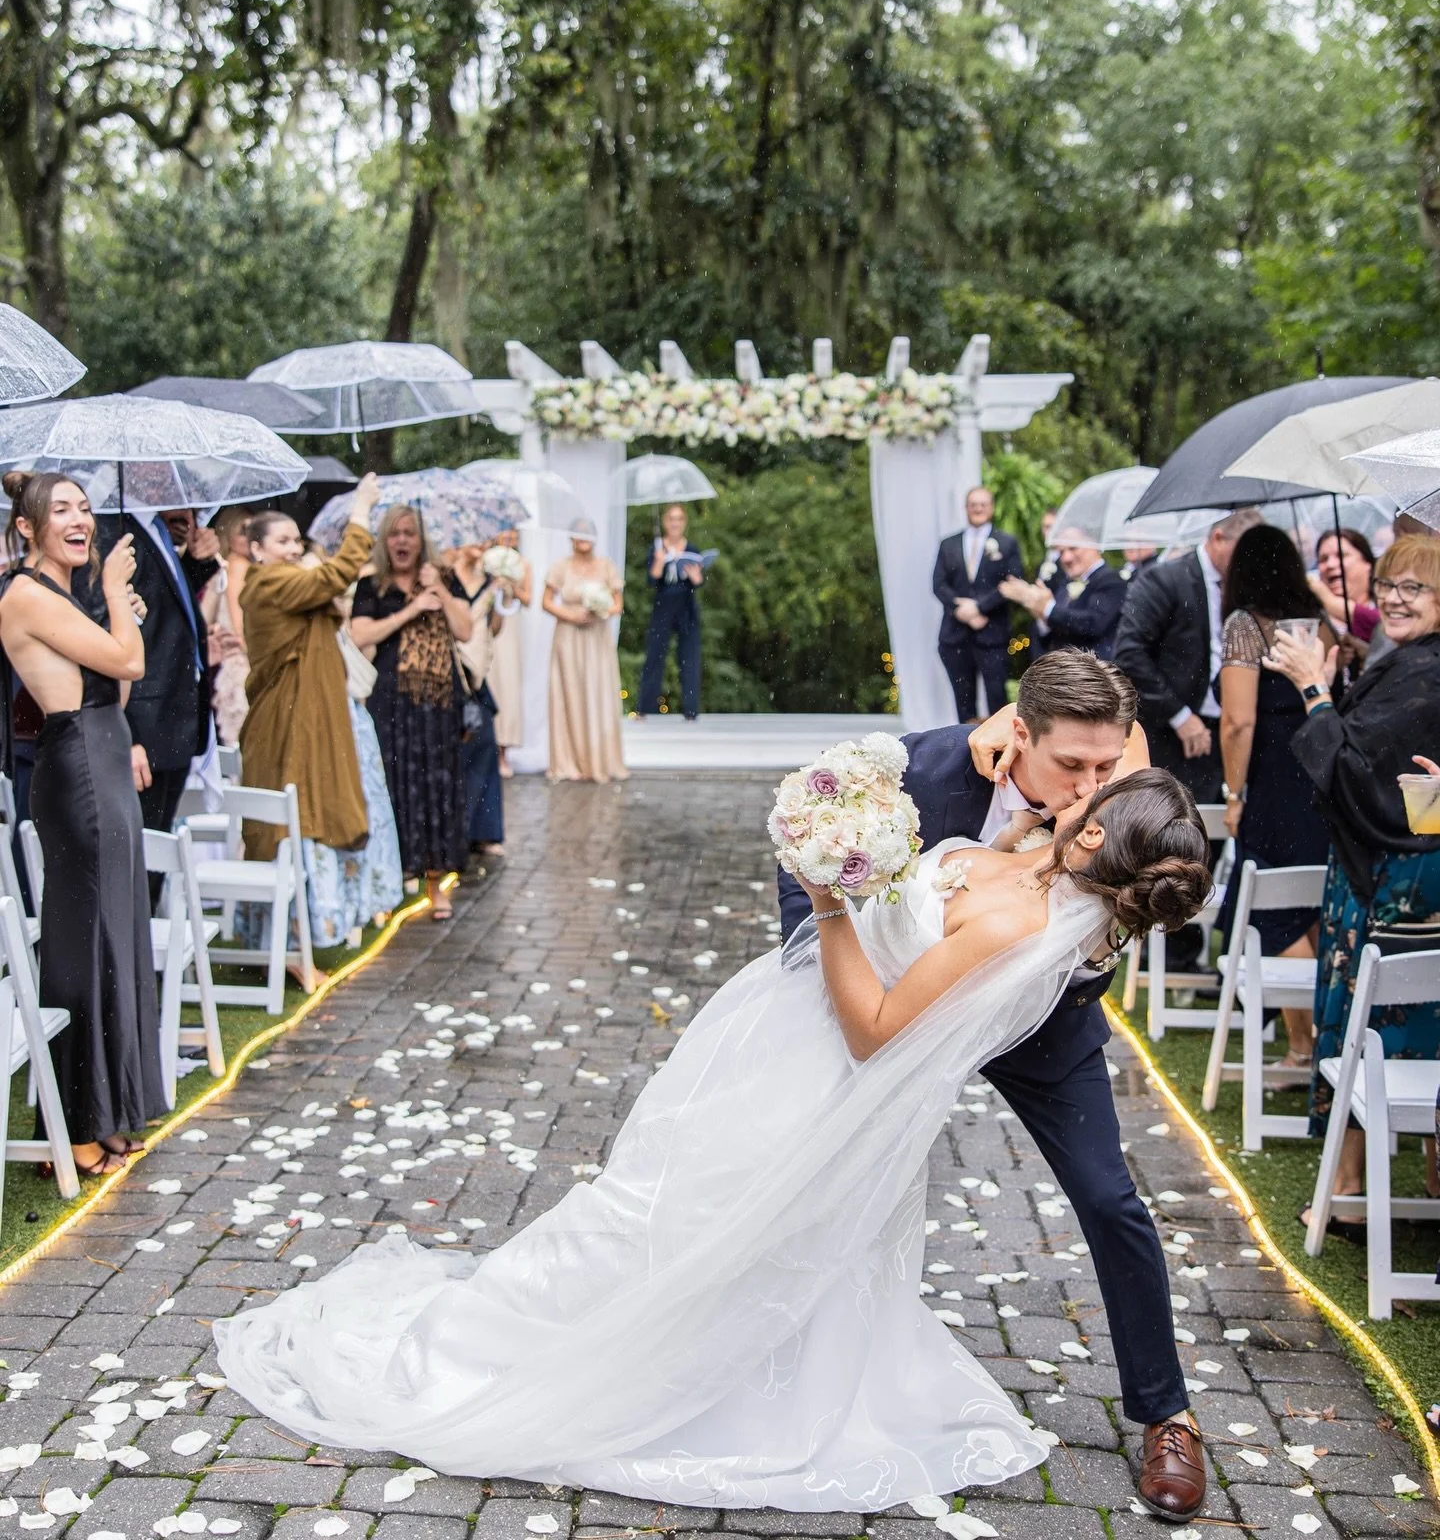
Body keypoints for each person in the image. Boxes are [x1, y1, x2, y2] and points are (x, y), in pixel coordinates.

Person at [215, 753, 1209, 1511]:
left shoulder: (1018, 932)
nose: (1084, 782)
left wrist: (830, 906)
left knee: (671, 1224)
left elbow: (873, 1033)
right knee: (664, 1216)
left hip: (815, 1079)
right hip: (775, 1042)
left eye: (1100, 785)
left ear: (1099, 833)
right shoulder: (1028, 864)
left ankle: (554, 1360)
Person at [779, 649, 1212, 1520]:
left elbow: (1148, 837)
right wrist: (806, 978)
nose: (1094, 784)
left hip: (1042, 1021)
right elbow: (817, 856)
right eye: (1074, 765)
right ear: (1017, 734)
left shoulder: (1111, 776)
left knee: (1110, 1196)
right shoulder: (923, 769)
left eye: (1109, 762)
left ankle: (1168, 1414)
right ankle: (777, 1351)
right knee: (808, 1173)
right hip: (899, 999)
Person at [1266, 532, 1440, 1238]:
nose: (1395, 599)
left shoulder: (1428, 676)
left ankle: (1349, 1189)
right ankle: (1357, 1183)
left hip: (1395, 879)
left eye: (1415, 589)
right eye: (1390, 585)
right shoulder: (1405, 661)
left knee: (1385, 1024)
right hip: (1374, 870)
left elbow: (1361, 778)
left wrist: (1311, 686)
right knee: (1382, 1022)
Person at [0, 473, 166, 1174]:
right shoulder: (25, 595)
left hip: (105, 754)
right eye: (61, 509)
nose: (81, 519)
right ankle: (74, 1126)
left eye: (85, 507)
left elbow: (118, 683)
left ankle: (114, 1110)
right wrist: (122, 599)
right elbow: (126, 658)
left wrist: (119, 606)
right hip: (78, 775)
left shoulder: (68, 595)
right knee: (83, 940)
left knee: (119, 936)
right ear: (28, 529)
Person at [240, 479, 401, 946]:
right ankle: (299, 932)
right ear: (256, 549)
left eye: (296, 540)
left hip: (310, 707)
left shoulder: (281, 581)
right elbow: (335, 576)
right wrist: (361, 512)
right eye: (281, 541)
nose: (293, 549)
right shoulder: (270, 581)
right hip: (292, 717)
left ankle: (318, 925)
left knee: (313, 805)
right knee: (302, 809)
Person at [1216, 526, 1332, 1065]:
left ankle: (1303, 1045)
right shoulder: (1319, 623)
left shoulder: (1245, 626)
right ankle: (1325, 1039)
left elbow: (1237, 721)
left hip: (1273, 784)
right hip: (1323, 772)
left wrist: (1233, 793)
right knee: (1311, 906)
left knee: (1271, 909)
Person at [351, 506, 473, 920]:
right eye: (394, 535)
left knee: (436, 791)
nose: (402, 541)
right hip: (392, 702)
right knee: (394, 790)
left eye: (410, 534)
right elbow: (359, 633)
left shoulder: (444, 577)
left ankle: (435, 883)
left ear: (422, 541)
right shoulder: (373, 585)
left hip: (438, 704)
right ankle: (391, 883)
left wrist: (439, 588)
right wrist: (411, 609)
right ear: (385, 542)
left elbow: (466, 629)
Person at [1113, 507, 1264, 806]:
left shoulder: (1250, 588)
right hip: (1172, 736)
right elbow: (1130, 654)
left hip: (1235, 732)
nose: (1251, 563)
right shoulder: (1164, 579)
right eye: (1245, 552)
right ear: (1219, 538)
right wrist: (1180, 716)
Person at [96, 503, 220, 834]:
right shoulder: (114, 530)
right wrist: (128, 736)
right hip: (143, 721)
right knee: (143, 850)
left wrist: (196, 562)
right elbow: (114, 633)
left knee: (160, 846)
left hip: (174, 717)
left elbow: (163, 608)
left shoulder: (156, 526)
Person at [543, 517, 627, 783]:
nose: (583, 539)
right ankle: (570, 761)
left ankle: (598, 759)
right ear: (570, 538)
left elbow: (617, 604)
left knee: (597, 692)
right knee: (570, 693)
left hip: (596, 637)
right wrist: (569, 614)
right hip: (568, 637)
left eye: (587, 534)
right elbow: (546, 602)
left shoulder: (606, 567)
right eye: (578, 534)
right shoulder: (561, 567)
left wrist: (599, 610)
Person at [932, 486, 1024, 721]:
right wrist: (959, 609)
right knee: (963, 699)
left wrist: (979, 607)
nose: (978, 508)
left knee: (997, 698)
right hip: (955, 635)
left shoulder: (1007, 543)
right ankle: (965, 748)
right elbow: (939, 584)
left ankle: (1001, 750)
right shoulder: (948, 544)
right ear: (966, 508)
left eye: (983, 504)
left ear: (991, 507)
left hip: (992, 635)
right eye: (973, 504)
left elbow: (1012, 582)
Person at [449, 542, 504, 856]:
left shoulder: (488, 579)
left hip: (478, 670)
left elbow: (494, 629)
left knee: (484, 744)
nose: (480, 546)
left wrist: (499, 600)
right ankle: (458, 826)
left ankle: (484, 830)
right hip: (454, 664)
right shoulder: (447, 578)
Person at [999, 528, 1126, 660]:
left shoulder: (1111, 580)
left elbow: (1093, 624)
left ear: (1093, 544)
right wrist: (1040, 614)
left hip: (1095, 669)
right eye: (1061, 552)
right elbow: (1057, 631)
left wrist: (1048, 609)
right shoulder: (1065, 583)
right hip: (1065, 669)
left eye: (1073, 548)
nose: (1066, 558)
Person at [638, 503, 704, 720]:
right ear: (665, 522)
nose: (675, 523)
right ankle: (645, 707)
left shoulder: (691, 549)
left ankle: (691, 709)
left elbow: (698, 582)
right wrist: (658, 562)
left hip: (686, 606)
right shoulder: (657, 547)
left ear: (684, 522)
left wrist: (697, 579)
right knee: (654, 655)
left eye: (679, 519)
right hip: (663, 605)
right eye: (671, 519)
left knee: (690, 657)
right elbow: (651, 580)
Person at [484, 525, 530, 775]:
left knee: (509, 687)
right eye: (506, 532)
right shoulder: (486, 560)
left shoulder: (523, 564)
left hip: (511, 627)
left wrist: (511, 585)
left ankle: (504, 752)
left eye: (515, 533)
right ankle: (486, 747)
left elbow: (529, 599)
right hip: (489, 622)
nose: (510, 537)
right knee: (489, 681)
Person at [205, 507, 252, 747]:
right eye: (243, 530)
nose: (250, 536)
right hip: (241, 662)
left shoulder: (224, 567)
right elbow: (240, 624)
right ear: (228, 534)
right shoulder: (237, 566)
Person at [1310, 527, 1379, 657]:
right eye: (1323, 559)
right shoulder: (1315, 621)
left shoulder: (1387, 605)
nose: (1330, 564)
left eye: (1341, 555)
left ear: (1367, 563)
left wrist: (1330, 601)